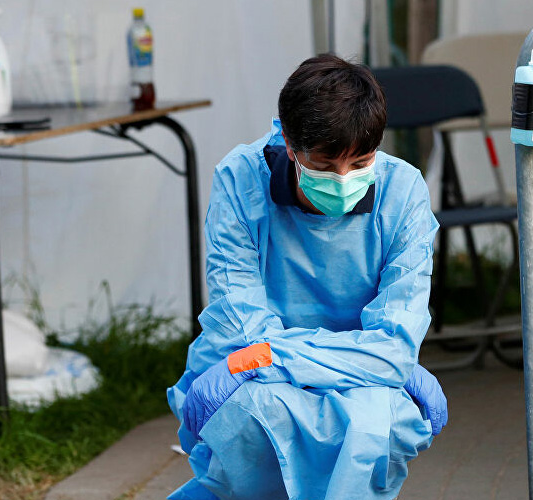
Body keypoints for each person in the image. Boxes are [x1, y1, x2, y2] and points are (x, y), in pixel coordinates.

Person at [167, 53, 448, 500]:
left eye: (360, 163)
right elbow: (241, 330)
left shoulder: (402, 190)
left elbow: (394, 344)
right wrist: (367, 357)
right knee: (250, 414)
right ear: (288, 142)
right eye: (324, 165)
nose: (343, 180)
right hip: (279, 378)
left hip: (314, 373)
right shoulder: (241, 181)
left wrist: (275, 355)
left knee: (376, 422)